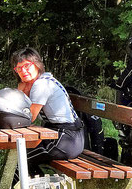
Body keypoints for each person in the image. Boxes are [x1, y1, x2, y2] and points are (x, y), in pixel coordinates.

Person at [11, 47, 84, 175]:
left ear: (37, 65)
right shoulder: (44, 80)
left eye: (27, 66)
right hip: (68, 137)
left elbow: (28, 118)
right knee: (22, 156)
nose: (23, 71)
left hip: (65, 140)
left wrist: (21, 92)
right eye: (19, 68)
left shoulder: (41, 85)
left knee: (19, 161)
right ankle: (39, 188)